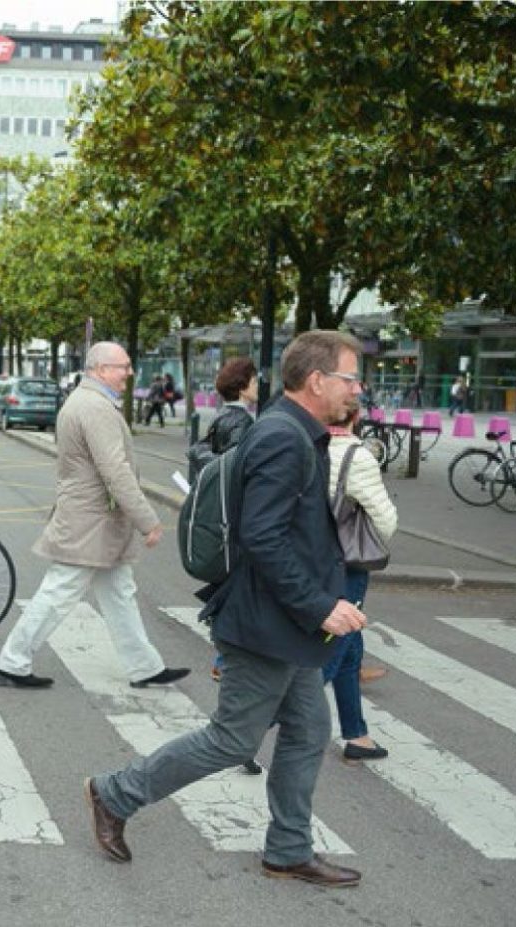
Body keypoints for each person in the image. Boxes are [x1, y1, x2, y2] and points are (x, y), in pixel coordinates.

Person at [84, 330, 367, 888]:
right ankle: (115, 792)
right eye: (350, 377)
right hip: (267, 626)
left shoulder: (295, 431)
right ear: (317, 380)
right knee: (233, 739)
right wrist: (319, 606)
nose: (357, 387)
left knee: (309, 729)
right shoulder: (285, 437)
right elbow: (263, 538)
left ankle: (287, 849)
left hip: (285, 625)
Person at [0, 342, 189, 690]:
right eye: (122, 366)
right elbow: (115, 470)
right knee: (59, 591)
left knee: (119, 592)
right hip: (90, 521)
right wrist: (147, 519)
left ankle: (143, 666)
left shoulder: (85, 402)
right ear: (100, 369)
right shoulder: (95, 408)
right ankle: (12, 662)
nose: (128, 372)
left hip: (93, 519)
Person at [324, 403, 398, 759]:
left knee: (350, 647)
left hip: (315, 557)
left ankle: (357, 734)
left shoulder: (309, 445)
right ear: (354, 418)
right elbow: (386, 519)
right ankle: (257, 727)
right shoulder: (358, 454)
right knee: (335, 647)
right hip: (349, 563)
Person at [205, 357, 259, 686]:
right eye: (253, 379)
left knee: (231, 587)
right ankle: (224, 660)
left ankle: (225, 658)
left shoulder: (220, 417)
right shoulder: (241, 422)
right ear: (242, 384)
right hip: (234, 515)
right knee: (238, 589)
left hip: (221, 514)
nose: (258, 384)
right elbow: (239, 469)